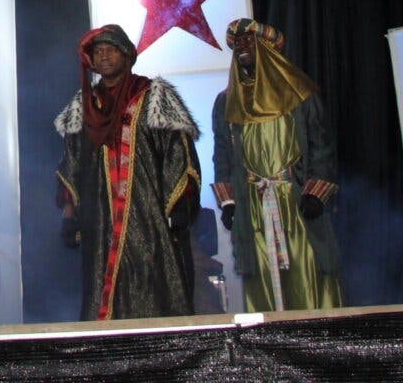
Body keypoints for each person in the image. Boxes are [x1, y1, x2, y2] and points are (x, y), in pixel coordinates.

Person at [55, 24, 201, 320]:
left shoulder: (153, 96)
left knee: (154, 282)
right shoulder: (84, 105)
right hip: (100, 217)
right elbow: (72, 161)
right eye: (97, 52)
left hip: (148, 215)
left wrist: (180, 206)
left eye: (110, 50)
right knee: (102, 283)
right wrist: (69, 215)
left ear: (126, 55)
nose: (103, 56)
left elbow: (179, 153)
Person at [211, 18, 342, 312]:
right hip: (253, 205)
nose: (242, 47)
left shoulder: (299, 94)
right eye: (237, 43)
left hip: (295, 201)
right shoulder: (226, 102)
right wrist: (229, 202)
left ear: (268, 49)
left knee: (306, 272)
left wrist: (315, 194)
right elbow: (222, 154)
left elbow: (322, 148)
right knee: (261, 279)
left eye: (249, 41)